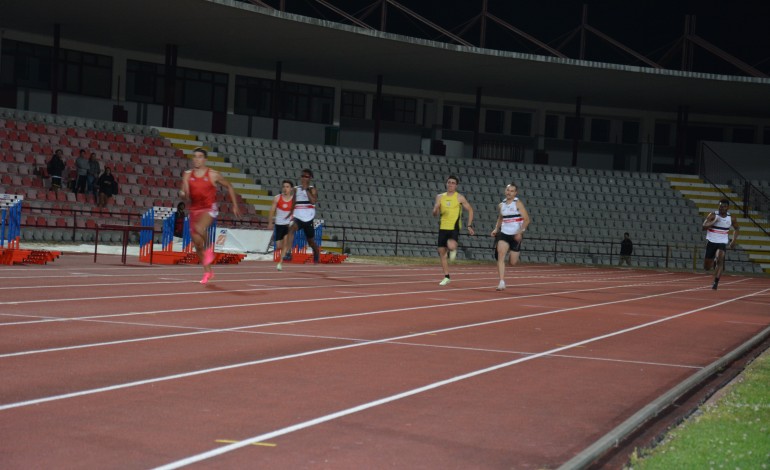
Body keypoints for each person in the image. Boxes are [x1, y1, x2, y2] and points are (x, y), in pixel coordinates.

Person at [180, 148, 241, 284]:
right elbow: (185, 194)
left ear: (205, 159)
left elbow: (229, 186)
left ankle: (210, 248)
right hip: (194, 209)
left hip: (209, 208)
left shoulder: (213, 174)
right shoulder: (187, 175)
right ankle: (208, 271)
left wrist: (235, 205)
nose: (197, 159)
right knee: (197, 244)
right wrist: (182, 194)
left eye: (200, 157)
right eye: (195, 157)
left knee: (200, 229)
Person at [432, 175, 475, 286]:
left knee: (450, 246)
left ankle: (453, 249)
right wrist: (436, 208)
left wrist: (469, 225)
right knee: (441, 252)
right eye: (449, 182)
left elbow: (470, 210)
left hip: (454, 227)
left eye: (453, 183)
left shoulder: (459, 197)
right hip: (443, 228)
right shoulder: (440, 197)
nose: (450, 184)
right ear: (446, 184)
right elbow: (434, 214)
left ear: (456, 185)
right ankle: (447, 277)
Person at [490, 183, 530, 291]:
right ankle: (501, 282)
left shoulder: (518, 204)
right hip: (504, 233)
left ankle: (510, 253)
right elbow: (500, 218)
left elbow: (527, 220)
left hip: (515, 234)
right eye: (508, 190)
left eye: (512, 191)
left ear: (515, 193)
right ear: (505, 191)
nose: (509, 192)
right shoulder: (501, 205)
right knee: (500, 255)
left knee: (513, 262)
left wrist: (520, 233)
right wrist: (496, 229)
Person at [283, 169, 320, 264]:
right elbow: (293, 202)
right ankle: (288, 252)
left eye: (306, 176)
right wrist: (289, 214)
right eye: (302, 176)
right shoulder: (296, 189)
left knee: (310, 241)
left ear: (310, 178)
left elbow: (313, 201)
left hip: (308, 219)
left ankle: (316, 250)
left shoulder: (312, 189)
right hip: (298, 217)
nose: (303, 178)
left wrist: (306, 190)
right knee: (291, 228)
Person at [702, 199, 740, 290]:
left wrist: (733, 240)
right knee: (707, 267)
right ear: (718, 206)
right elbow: (703, 227)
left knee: (720, 257)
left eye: (724, 206)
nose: (722, 208)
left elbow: (737, 228)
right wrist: (713, 222)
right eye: (720, 206)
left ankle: (716, 282)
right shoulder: (713, 215)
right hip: (711, 242)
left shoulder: (731, 218)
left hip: (722, 242)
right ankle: (714, 261)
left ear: (728, 207)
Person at [268, 179, 295, 271]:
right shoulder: (277, 198)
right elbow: (272, 210)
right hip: (279, 224)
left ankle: (280, 262)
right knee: (279, 245)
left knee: (285, 243)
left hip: (288, 225)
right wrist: (270, 222)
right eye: (284, 187)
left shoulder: (294, 200)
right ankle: (285, 253)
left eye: (287, 187)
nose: (285, 189)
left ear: (291, 189)